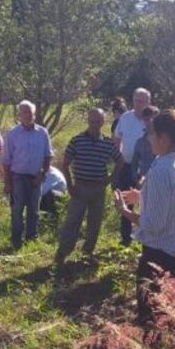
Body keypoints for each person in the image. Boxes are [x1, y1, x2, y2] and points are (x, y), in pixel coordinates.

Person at [113, 109, 175, 325]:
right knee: (173, 317)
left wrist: (125, 211)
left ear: (164, 138)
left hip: (160, 256)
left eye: (151, 134)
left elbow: (154, 225)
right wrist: (142, 195)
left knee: (153, 319)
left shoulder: (161, 170)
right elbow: (173, 202)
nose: (148, 139)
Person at [55, 108, 124, 264]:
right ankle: (62, 253)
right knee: (73, 220)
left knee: (95, 221)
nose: (95, 125)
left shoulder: (107, 143)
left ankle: (87, 252)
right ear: (88, 121)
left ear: (102, 122)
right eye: (92, 121)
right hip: (80, 186)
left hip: (99, 187)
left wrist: (110, 178)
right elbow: (65, 164)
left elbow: (120, 161)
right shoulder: (77, 140)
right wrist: (70, 185)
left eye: (98, 122)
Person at [2, 101, 53, 250]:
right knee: (17, 209)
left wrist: (43, 174)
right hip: (18, 176)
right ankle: (16, 240)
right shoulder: (12, 134)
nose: (27, 115)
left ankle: (31, 238)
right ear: (19, 115)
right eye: (24, 112)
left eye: (30, 112)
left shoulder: (43, 132)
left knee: (34, 210)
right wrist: (7, 182)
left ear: (34, 114)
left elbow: (48, 155)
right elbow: (6, 160)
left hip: (36, 177)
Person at [113, 88, 152, 245]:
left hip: (147, 169)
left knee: (147, 202)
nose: (138, 104)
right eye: (136, 100)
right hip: (126, 165)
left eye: (142, 101)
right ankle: (126, 237)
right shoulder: (125, 117)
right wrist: (118, 159)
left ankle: (147, 236)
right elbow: (116, 138)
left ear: (148, 102)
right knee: (126, 200)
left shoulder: (153, 119)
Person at [131, 106, 160, 187]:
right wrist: (136, 180)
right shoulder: (140, 142)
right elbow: (134, 164)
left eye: (152, 119)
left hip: (162, 182)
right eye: (146, 119)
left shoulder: (166, 141)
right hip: (144, 184)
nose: (149, 122)